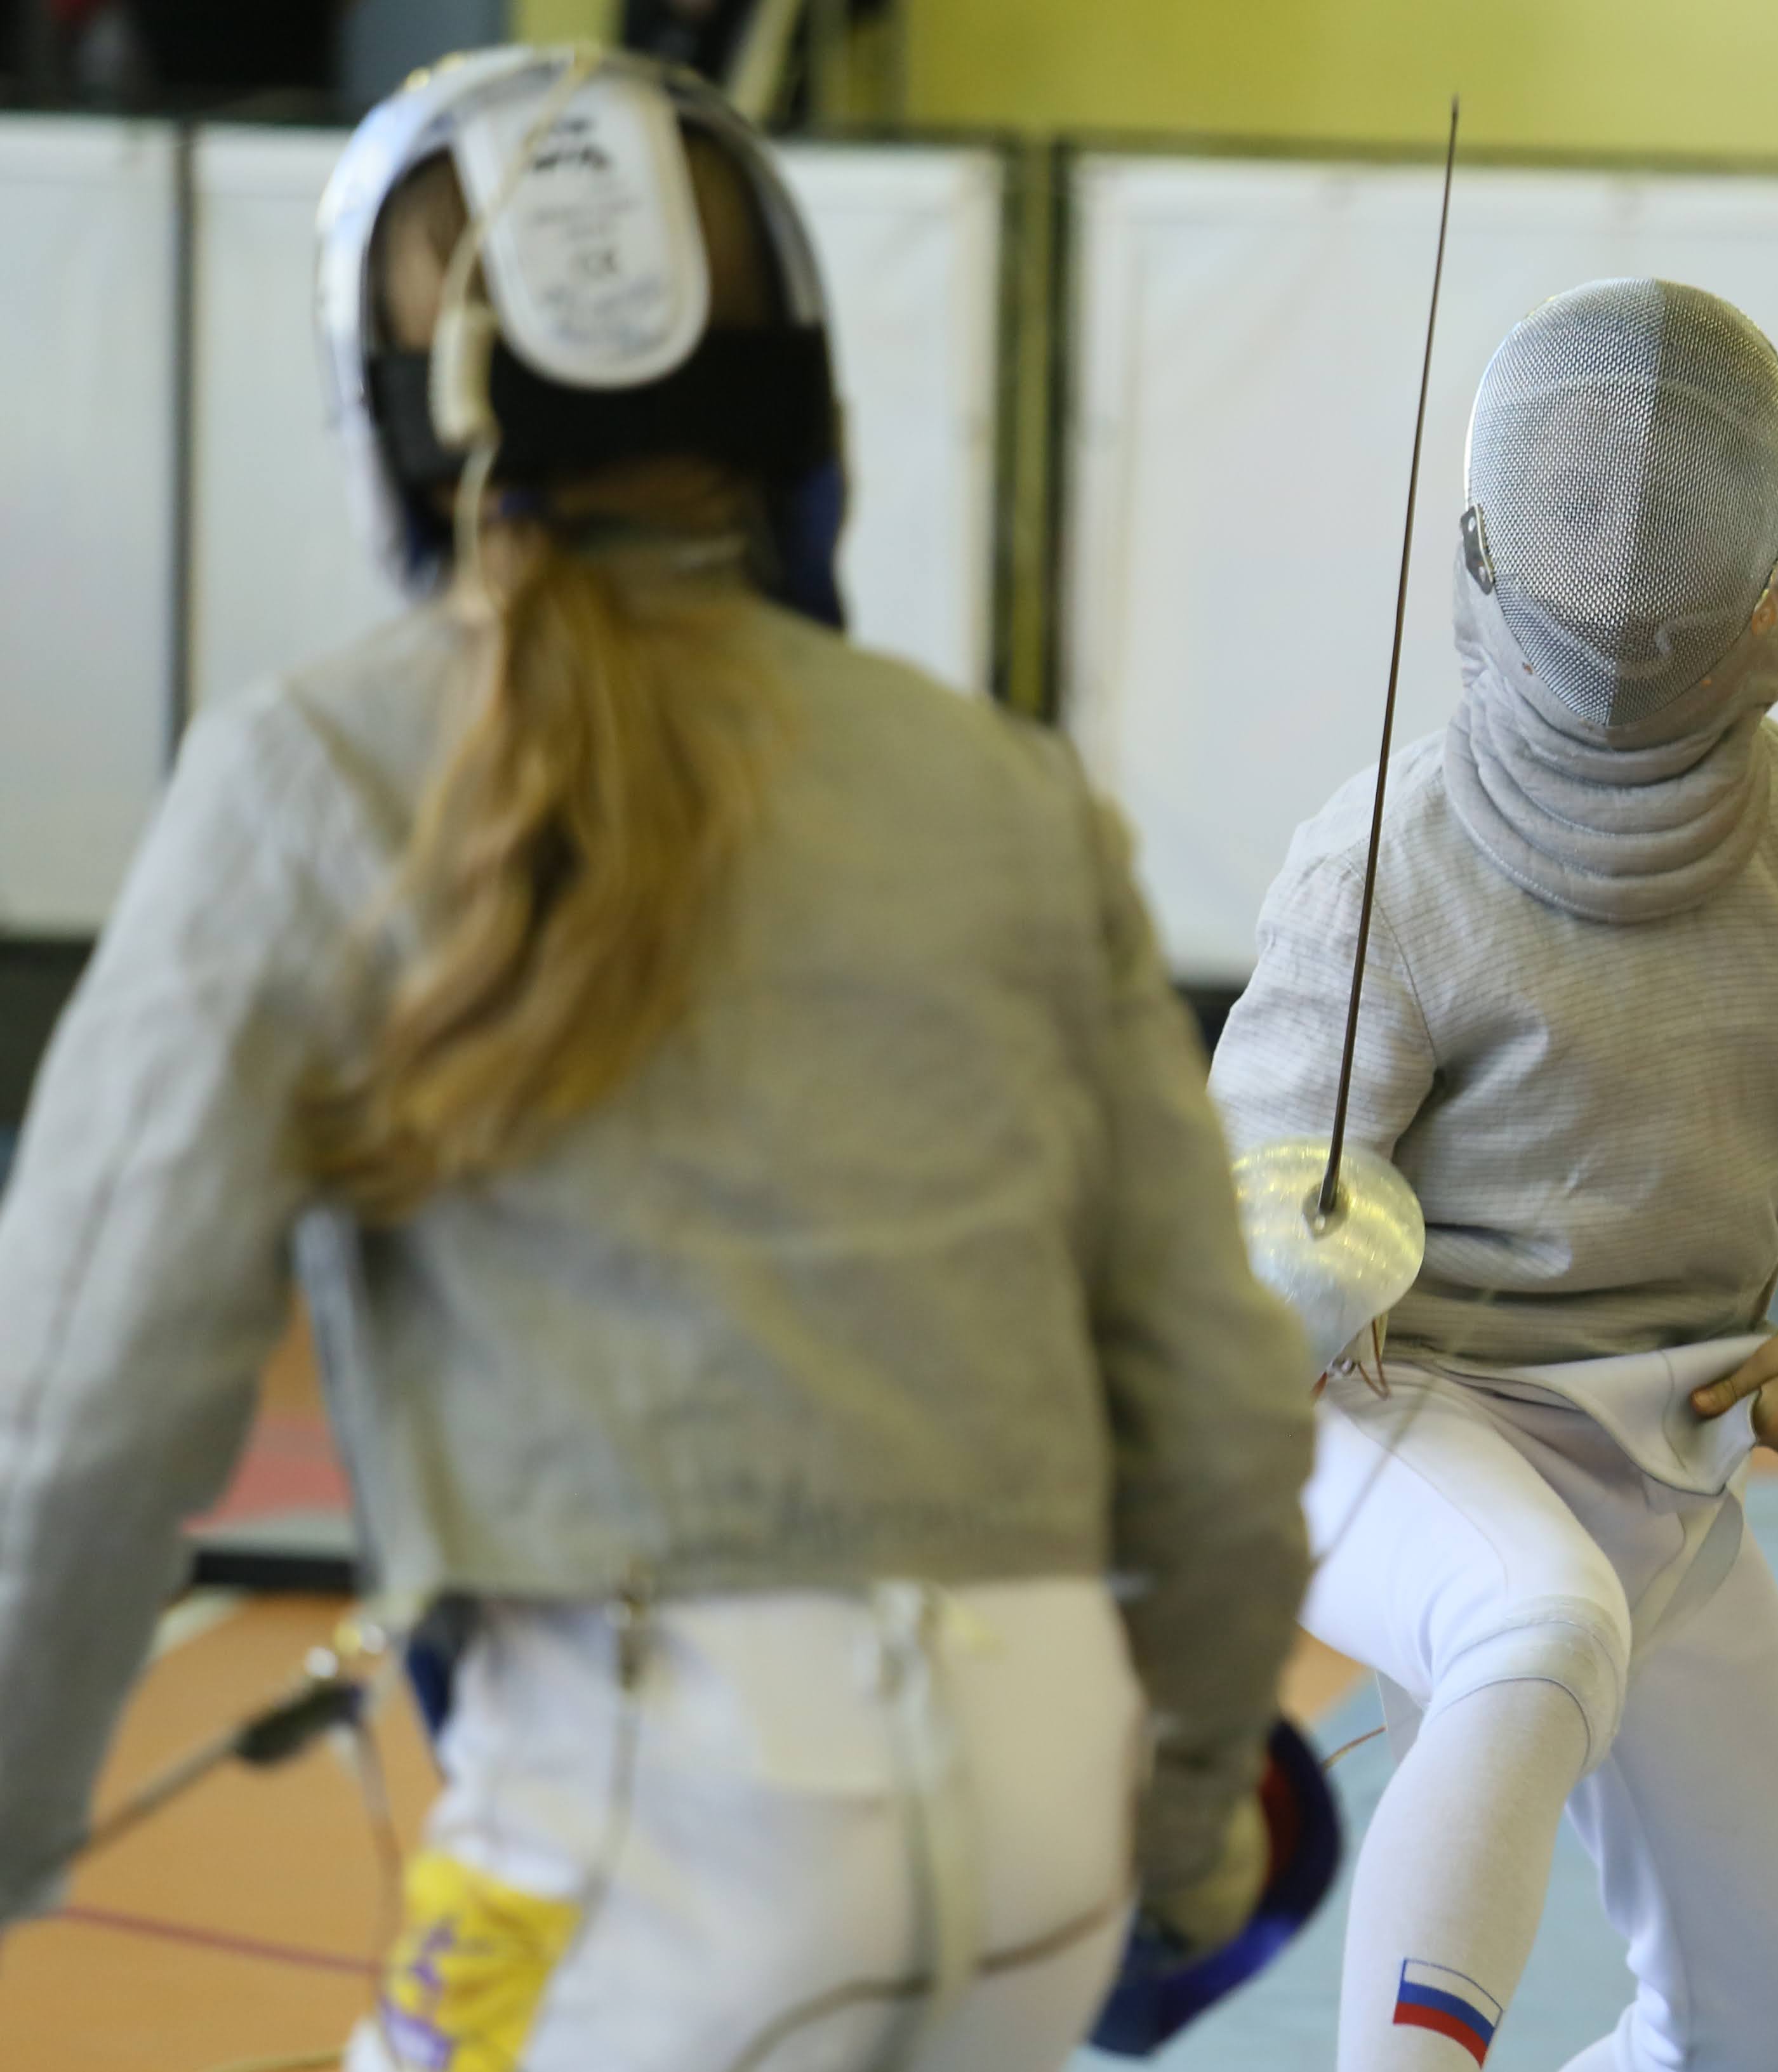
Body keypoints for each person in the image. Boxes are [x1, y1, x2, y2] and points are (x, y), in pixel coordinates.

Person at [0, 48, 1311, 2071]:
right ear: (797, 399)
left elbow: (81, 1400)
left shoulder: (312, 770)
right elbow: (1220, 1410)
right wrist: (1190, 1831)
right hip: (1050, 1826)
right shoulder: (1000, 787)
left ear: (395, 420)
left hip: (655, 1831)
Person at [1211, 277, 1778, 2072]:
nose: (1627, 568)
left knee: (1763, 2033)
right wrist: (1287, 1277)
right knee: (1533, 1615)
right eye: (1586, 525)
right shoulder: (1389, 856)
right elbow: (1242, 1211)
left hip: (1670, 1453)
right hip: (1400, 1426)